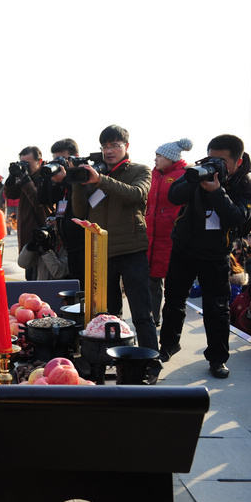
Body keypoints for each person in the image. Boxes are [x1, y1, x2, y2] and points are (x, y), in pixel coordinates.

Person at [159, 134, 251, 378]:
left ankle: (217, 359)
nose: (215, 164)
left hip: (215, 254)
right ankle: (168, 346)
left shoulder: (247, 185)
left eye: (221, 161)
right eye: (212, 158)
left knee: (217, 308)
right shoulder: (200, 170)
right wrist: (196, 178)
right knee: (172, 302)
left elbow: (237, 217)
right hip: (184, 248)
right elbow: (174, 196)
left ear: (238, 161)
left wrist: (217, 191)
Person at [73, 125, 159, 376]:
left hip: (132, 250)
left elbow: (136, 194)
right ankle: (109, 360)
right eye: (105, 147)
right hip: (103, 252)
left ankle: (150, 362)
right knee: (107, 313)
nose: (109, 151)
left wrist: (101, 180)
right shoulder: (95, 173)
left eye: (114, 145)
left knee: (142, 312)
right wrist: (78, 182)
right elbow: (80, 211)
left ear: (126, 147)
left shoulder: (139, 170)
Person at [146, 138, 192, 327]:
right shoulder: (154, 174)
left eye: (159, 155)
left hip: (173, 236)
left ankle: (171, 322)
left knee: (173, 283)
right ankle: (153, 318)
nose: (155, 159)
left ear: (171, 158)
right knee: (152, 280)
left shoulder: (186, 174)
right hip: (152, 235)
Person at [37, 138, 86, 285]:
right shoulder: (61, 183)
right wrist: (46, 178)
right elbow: (44, 199)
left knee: (83, 288)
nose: (58, 163)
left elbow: (80, 207)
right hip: (68, 245)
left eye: (62, 159)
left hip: (83, 245)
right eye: (55, 159)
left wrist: (66, 179)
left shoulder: (83, 174)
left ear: (74, 157)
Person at [5, 146, 49, 280]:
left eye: (27, 163)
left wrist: (25, 179)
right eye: (22, 163)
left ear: (39, 161)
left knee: (40, 280)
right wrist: (12, 178)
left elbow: (38, 201)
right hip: (27, 239)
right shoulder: (25, 177)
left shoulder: (46, 178)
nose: (25, 167)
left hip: (42, 239)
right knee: (29, 277)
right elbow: (11, 194)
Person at [17, 217, 70, 281]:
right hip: (41, 287)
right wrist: (31, 246)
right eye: (48, 221)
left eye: (54, 221)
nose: (50, 222)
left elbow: (59, 273)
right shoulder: (41, 245)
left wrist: (47, 251)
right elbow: (23, 263)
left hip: (59, 288)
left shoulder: (65, 247)